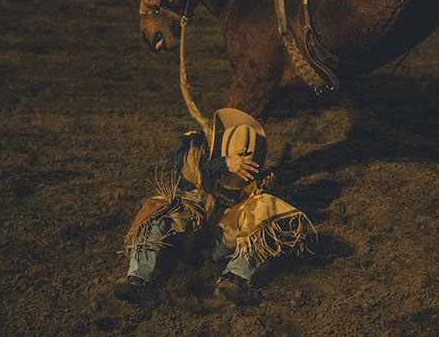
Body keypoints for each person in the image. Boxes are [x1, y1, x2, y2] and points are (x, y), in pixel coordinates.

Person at [114, 108, 315, 306]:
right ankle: (138, 280)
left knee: (265, 205)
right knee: (159, 206)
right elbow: (182, 173)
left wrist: (265, 193)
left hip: (217, 238)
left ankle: (235, 278)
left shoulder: (249, 182)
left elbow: (250, 220)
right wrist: (224, 164)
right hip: (183, 229)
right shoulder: (196, 143)